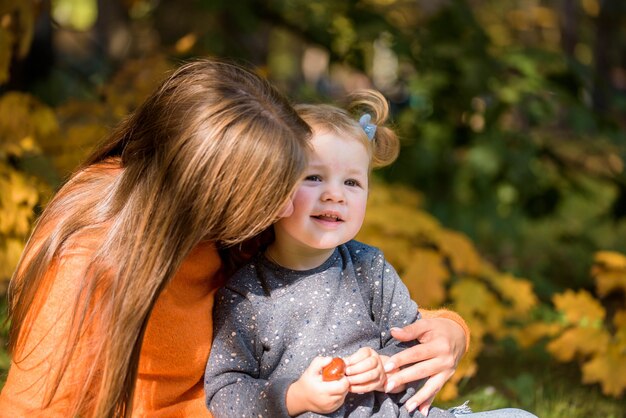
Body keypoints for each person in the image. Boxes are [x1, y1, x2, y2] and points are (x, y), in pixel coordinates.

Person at [0, 59, 467, 417]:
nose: (287, 210)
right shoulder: (87, 261)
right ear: (210, 190)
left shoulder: (232, 228)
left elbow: (334, 303)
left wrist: (449, 331)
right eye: (275, 193)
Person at [204, 91, 538, 418]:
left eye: (352, 183)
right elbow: (224, 393)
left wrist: (385, 367)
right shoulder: (247, 294)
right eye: (315, 177)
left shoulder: (369, 267)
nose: (335, 195)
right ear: (275, 187)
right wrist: (296, 397)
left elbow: (413, 344)